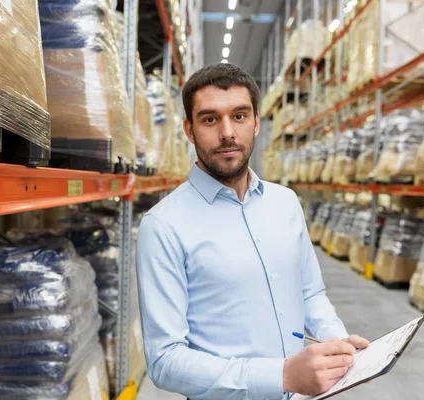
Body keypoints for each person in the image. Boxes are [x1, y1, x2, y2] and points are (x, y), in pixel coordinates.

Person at [136, 63, 369, 400]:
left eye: (240, 116)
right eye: (210, 119)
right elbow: (165, 360)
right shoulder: (163, 226)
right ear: (189, 130)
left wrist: (337, 343)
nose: (227, 133)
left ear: (257, 123)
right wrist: (283, 376)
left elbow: (310, 294)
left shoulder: (285, 203)